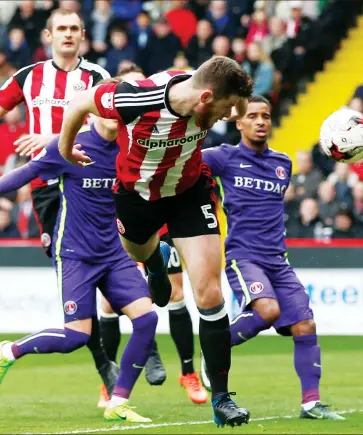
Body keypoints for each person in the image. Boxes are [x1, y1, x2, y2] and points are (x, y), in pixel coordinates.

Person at [57, 55, 253, 427]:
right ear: (205, 98)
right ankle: (154, 262)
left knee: (209, 292)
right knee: (139, 250)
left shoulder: (206, 90)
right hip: (137, 197)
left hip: (189, 191)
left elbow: (237, 95)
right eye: (225, 109)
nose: (230, 118)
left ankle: (223, 398)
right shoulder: (135, 98)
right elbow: (79, 102)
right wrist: (66, 149)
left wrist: (237, 105)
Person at [0, 96, 157, 423]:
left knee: (147, 320)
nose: (116, 115)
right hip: (75, 254)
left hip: (114, 252)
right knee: (76, 337)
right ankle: (8, 351)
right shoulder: (70, 145)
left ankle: (118, 402)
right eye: (110, 108)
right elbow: (27, 173)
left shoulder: (132, 149)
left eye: (122, 111)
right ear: (95, 109)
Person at [0, 7, 116, 405]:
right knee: (81, 278)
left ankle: (120, 367)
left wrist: (48, 136)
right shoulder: (29, 77)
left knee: (114, 267)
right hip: (49, 188)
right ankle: (108, 374)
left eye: (73, 29)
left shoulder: (98, 78)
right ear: (48, 35)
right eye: (60, 29)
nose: (67, 35)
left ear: (83, 34)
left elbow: (108, 123)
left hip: (92, 184)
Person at [200, 95, 344, 420]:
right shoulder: (222, 157)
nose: (261, 121)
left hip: (277, 259)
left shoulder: (283, 163)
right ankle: (214, 352)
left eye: (265, 115)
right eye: (253, 116)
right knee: (267, 310)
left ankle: (311, 404)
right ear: (239, 123)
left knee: (305, 325)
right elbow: (185, 165)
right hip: (242, 255)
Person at [96, 64, 208, 406]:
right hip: (118, 221)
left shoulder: (159, 120)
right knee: (111, 301)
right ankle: (108, 379)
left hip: (161, 210)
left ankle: (188, 372)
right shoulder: (102, 134)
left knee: (175, 292)